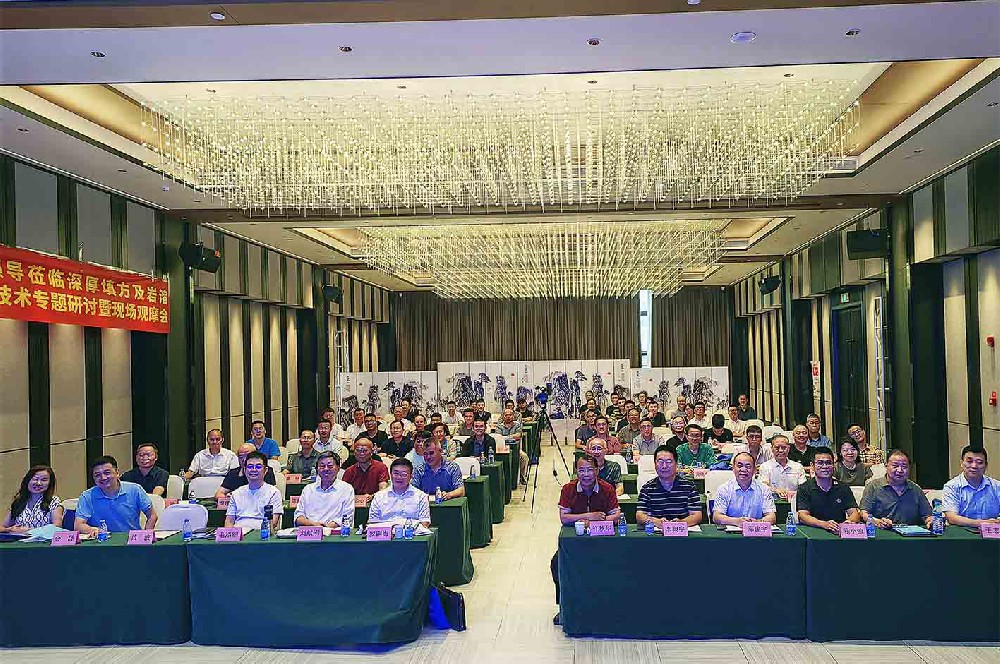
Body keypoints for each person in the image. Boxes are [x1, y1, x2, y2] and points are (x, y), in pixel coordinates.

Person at [551, 454, 621, 624]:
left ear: (597, 471)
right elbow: (564, 518)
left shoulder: (607, 488)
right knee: (556, 564)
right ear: (577, 472)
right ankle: (564, 607)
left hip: (602, 540)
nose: (586, 474)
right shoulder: (568, 489)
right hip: (575, 541)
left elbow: (617, 516)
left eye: (590, 470)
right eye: (582, 470)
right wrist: (590, 516)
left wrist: (597, 521)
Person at [75, 455, 156, 533]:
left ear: (117, 473)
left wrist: (146, 535)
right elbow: (78, 525)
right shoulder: (87, 496)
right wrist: (92, 530)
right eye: (97, 475)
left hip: (131, 539)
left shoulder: (135, 490)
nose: (103, 478)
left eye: (107, 473)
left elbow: (152, 516)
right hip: (101, 540)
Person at [860, 449, 933, 529]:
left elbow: (927, 515)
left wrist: (931, 521)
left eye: (904, 467)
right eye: (895, 466)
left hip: (911, 534)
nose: (900, 470)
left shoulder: (915, 489)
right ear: (886, 465)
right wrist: (876, 521)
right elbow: (863, 513)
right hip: (882, 532)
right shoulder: (873, 487)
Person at [796, 446, 861, 532]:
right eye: (820, 463)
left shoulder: (843, 487)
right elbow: (803, 516)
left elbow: (854, 512)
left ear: (833, 465)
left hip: (838, 532)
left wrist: (848, 522)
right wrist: (823, 524)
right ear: (812, 466)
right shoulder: (804, 488)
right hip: (814, 532)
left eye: (828, 463)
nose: (825, 466)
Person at [636, 446, 702, 528]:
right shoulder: (647, 488)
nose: (664, 466)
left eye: (669, 462)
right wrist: (656, 522)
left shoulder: (689, 486)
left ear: (676, 464)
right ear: (655, 464)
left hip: (682, 532)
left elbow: (697, 515)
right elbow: (640, 515)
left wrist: (680, 523)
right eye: (660, 462)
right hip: (656, 532)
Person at [711, 452, 777, 526]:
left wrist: (757, 522)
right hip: (732, 529)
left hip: (755, 531)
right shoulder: (724, 489)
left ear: (754, 470)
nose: (743, 469)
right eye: (739, 466)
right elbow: (716, 517)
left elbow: (772, 517)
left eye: (748, 466)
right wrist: (736, 521)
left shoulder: (764, 489)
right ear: (733, 468)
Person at [294, 451, 355, 528]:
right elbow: (298, 516)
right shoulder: (308, 489)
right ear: (317, 469)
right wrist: (313, 525)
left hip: (335, 532)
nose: (326, 469)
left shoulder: (346, 489)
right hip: (310, 530)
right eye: (322, 466)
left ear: (338, 468)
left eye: (330, 466)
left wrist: (326, 528)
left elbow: (347, 517)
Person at [224, 451, 282, 530]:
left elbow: (273, 522)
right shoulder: (236, 493)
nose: (253, 470)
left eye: (258, 467)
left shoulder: (273, 493)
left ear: (265, 470)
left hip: (261, 533)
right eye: (250, 466)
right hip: (239, 533)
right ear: (245, 470)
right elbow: (229, 522)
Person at [942, 446, 1000, 526]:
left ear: (986, 465)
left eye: (979, 462)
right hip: (962, 531)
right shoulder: (951, 486)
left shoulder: (996, 486)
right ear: (962, 463)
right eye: (969, 461)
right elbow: (952, 518)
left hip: (992, 531)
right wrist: (982, 523)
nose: (974, 466)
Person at [369, 458, 432, 527]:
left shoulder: (421, 496)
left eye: (404, 474)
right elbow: (372, 524)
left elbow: (424, 523)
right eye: (396, 473)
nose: (399, 477)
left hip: (411, 533)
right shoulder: (379, 496)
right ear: (390, 474)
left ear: (411, 476)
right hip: (385, 533)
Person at [1, 466, 63, 533]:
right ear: (27, 480)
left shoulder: (54, 502)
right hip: (19, 539)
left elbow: (57, 527)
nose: (39, 483)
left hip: (42, 539)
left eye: (44, 480)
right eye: (35, 479)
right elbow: (2, 527)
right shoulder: (19, 502)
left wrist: (29, 531)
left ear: (50, 483)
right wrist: (9, 529)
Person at [342, 438, 389, 503]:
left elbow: (383, 489)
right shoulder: (349, 471)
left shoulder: (381, 467)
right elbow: (344, 492)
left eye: (365, 450)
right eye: (358, 450)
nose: (361, 453)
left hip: (377, 501)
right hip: (355, 503)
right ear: (354, 453)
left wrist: (373, 496)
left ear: (371, 452)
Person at [495, 407, 529, 483]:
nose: (508, 417)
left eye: (510, 415)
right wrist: (511, 437)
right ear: (503, 416)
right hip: (502, 449)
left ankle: (522, 476)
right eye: (506, 415)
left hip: (516, 450)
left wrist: (505, 437)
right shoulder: (499, 426)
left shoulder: (517, 425)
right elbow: (498, 437)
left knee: (524, 457)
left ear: (513, 416)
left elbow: (518, 435)